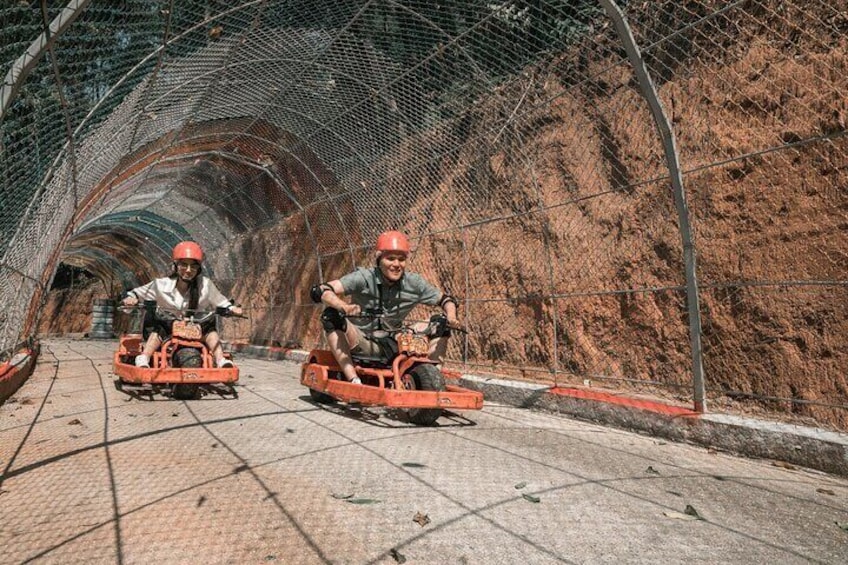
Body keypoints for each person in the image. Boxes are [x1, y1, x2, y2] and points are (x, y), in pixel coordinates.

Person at [311, 230, 460, 384]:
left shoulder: (414, 283)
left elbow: (447, 300)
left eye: (401, 259)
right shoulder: (363, 278)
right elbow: (322, 290)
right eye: (390, 259)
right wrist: (343, 306)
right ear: (379, 259)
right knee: (331, 315)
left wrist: (451, 316)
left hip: (395, 342)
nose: (396, 265)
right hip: (362, 341)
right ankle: (353, 379)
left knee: (440, 323)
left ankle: (432, 379)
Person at [121, 241, 243, 368]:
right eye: (184, 265)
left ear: (199, 269)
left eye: (193, 266)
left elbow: (222, 302)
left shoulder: (206, 285)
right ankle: (144, 358)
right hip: (168, 327)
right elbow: (136, 294)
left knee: (210, 329)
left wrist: (232, 309)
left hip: (195, 327)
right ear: (175, 266)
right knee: (159, 327)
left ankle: (220, 360)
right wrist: (131, 300)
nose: (189, 270)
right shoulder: (160, 285)